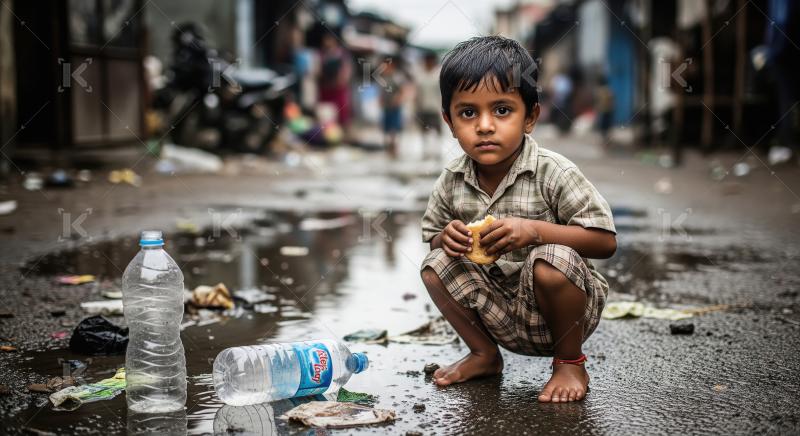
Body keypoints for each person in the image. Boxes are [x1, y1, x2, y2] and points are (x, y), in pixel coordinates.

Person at [419, 36, 617, 403]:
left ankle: (570, 363)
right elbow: (433, 236)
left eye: (502, 110)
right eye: (468, 113)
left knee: (551, 259)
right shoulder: (451, 179)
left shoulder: (553, 172)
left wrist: (535, 232)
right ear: (449, 121)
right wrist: (445, 238)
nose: (484, 126)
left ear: (530, 117)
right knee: (434, 264)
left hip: (563, 314)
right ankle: (484, 355)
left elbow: (605, 241)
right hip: (498, 314)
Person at [379, 58, 409, 158]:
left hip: (395, 106)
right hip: (386, 106)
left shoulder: (397, 76)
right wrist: (380, 100)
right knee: (386, 126)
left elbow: (403, 90)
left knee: (394, 127)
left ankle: (394, 147)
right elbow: (381, 91)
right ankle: (388, 146)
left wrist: (398, 99)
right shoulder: (383, 77)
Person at [416, 51, 443, 159]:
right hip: (423, 107)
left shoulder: (438, 74)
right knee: (424, 130)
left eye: (429, 61)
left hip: (435, 108)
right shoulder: (420, 74)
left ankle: (437, 151)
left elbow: (441, 91)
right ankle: (426, 151)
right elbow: (418, 92)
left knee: (436, 130)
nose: (427, 63)